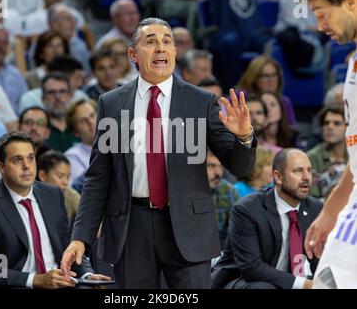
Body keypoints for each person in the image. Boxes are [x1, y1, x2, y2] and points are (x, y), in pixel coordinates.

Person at [61, 17, 257, 289]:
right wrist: (80, 237)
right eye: (150, 42)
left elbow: (241, 167)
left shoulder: (201, 101)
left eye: (167, 42)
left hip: (188, 225)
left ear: (176, 52)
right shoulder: (111, 104)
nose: (161, 48)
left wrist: (243, 136)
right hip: (131, 226)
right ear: (133, 54)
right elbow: (98, 178)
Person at [0, 132, 111, 288]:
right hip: (19, 285)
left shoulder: (53, 194)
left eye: (30, 158)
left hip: (60, 282)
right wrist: (36, 280)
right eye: (17, 160)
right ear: (1, 167)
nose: (26, 166)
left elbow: (67, 246)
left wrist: (87, 275)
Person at [304, 0, 357, 289]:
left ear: (351, 1)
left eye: (323, 13)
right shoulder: (352, 64)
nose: (321, 26)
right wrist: (330, 211)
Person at [211, 149, 323, 289]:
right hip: (243, 280)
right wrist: (303, 284)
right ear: (278, 177)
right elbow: (252, 268)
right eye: (298, 171)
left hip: (292, 280)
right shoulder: (247, 210)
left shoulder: (316, 208)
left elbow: (320, 258)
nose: (307, 177)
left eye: (309, 170)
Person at [307, 105, 348, 198]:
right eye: (326, 123)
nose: (330, 127)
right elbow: (312, 198)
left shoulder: (354, 154)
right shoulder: (311, 158)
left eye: (336, 123)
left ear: (347, 128)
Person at [206, 149, 240, 249]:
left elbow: (238, 229)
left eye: (220, 167)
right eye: (211, 166)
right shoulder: (186, 192)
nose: (218, 173)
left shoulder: (229, 191)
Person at [37, 150, 80, 223]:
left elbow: (90, 220)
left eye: (68, 177)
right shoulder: (32, 198)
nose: (65, 182)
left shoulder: (70, 194)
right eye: (60, 176)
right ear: (43, 176)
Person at [65, 99, 97, 184]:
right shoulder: (72, 156)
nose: (91, 122)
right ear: (76, 132)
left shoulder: (118, 144)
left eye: (92, 115)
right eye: (83, 120)